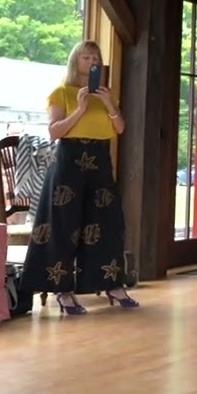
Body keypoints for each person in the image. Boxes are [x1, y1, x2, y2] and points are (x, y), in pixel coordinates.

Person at [18, 40, 138, 314]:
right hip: (68, 160)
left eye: (95, 58)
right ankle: (62, 290)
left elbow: (119, 128)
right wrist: (81, 108)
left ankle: (112, 284)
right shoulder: (61, 92)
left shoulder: (107, 94)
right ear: (76, 61)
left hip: (100, 159)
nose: (92, 61)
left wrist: (108, 104)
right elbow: (54, 132)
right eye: (86, 57)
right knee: (63, 224)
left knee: (107, 221)